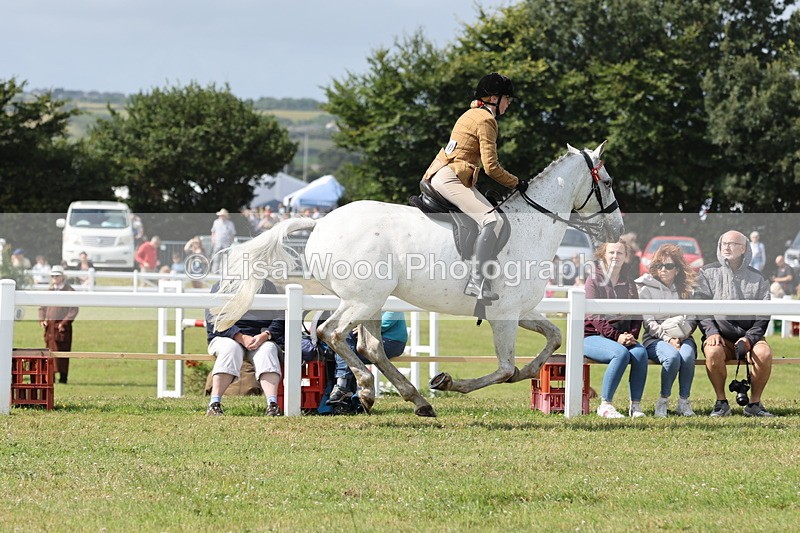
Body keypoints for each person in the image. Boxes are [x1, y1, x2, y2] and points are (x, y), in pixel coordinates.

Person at [422, 72, 525, 301]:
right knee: (492, 220)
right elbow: (491, 167)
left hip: (445, 173)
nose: (509, 103)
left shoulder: (470, 114)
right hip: (451, 178)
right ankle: (477, 281)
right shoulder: (487, 120)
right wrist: (517, 182)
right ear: (494, 98)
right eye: (507, 98)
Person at [204, 279, 317, 416]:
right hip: (227, 337)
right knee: (230, 349)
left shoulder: (268, 286)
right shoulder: (221, 285)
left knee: (268, 350)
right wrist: (240, 337)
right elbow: (214, 319)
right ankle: (214, 403)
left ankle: (272, 404)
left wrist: (265, 335)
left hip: (260, 337)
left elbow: (279, 316)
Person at [694, 231, 774, 417]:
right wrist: (711, 332)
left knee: (764, 352)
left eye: (732, 244)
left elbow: (763, 316)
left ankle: (754, 404)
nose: (726, 247)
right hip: (719, 337)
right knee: (713, 351)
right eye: (723, 243)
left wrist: (749, 339)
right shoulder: (706, 273)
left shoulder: (759, 278)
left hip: (750, 338)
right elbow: (699, 308)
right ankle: (721, 403)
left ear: (744, 248)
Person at [583, 240, 649, 418]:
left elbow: (637, 314)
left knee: (641, 353)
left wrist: (631, 336)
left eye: (620, 253)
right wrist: (616, 337)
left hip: (622, 337)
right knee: (620, 353)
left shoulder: (629, 283)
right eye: (611, 252)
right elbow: (593, 317)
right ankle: (605, 405)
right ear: (603, 255)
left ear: (626, 257)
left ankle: (635, 406)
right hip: (591, 337)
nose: (615, 256)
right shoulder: (594, 280)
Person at [635, 244, 698, 417]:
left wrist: (682, 336)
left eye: (669, 266)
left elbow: (691, 318)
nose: (663, 269)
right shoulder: (645, 289)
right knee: (671, 357)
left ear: (677, 269)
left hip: (683, 337)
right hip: (655, 339)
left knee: (686, 356)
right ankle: (663, 400)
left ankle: (683, 402)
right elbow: (649, 322)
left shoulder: (686, 291)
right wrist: (668, 339)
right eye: (659, 266)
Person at [326, 311, 408, 411]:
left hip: (392, 342)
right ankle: (353, 397)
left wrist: (362, 330)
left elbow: (387, 322)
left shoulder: (392, 300)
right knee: (345, 351)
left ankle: (345, 389)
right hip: (372, 339)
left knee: (347, 354)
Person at [38, 266, 79, 384]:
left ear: (62, 277)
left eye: (57, 276)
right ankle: (50, 377)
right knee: (49, 351)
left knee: (62, 351)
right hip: (50, 327)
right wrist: (42, 320)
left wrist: (64, 323)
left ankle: (63, 377)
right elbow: (42, 307)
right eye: (52, 276)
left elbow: (73, 310)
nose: (54, 278)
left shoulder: (69, 291)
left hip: (62, 327)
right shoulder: (50, 291)